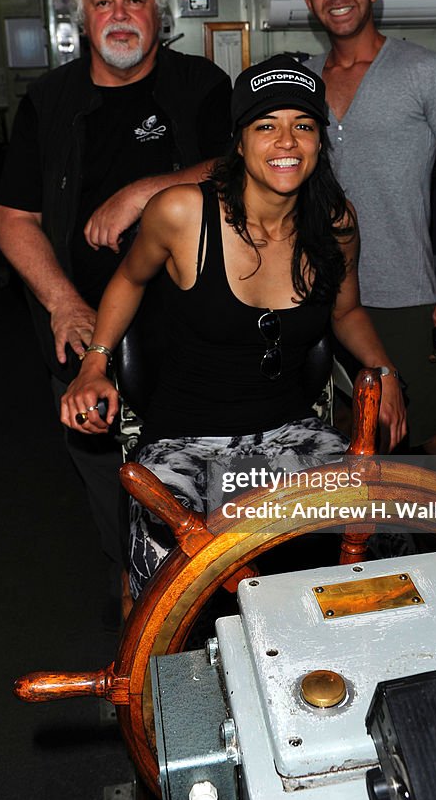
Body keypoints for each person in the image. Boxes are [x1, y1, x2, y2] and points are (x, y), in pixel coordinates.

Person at [59, 55, 406, 597]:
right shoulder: (181, 213)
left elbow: (346, 312)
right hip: (185, 440)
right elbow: (128, 281)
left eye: (304, 126)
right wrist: (95, 363)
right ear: (239, 142)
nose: (286, 142)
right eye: (266, 126)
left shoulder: (336, 223)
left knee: (385, 550)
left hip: (292, 434)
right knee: (175, 590)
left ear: (320, 142)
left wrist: (383, 369)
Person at [0, 0, 232, 623]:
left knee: (196, 481)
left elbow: (239, 169)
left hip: (190, 334)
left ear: (158, 12)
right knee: (111, 485)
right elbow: (14, 219)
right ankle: (135, 603)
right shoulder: (47, 102)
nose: (120, 15)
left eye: (135, 0)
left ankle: (205, 607)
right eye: (104, 3)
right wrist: (64, 305)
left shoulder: (201, 87)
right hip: (83, 340)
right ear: (82, 17)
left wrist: (143, 192)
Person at [298, 0, 436, 454]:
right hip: (317, 294)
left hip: (405, 296)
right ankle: (372, 540)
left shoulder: (425, 71)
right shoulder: (303, 83)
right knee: (341, 440)